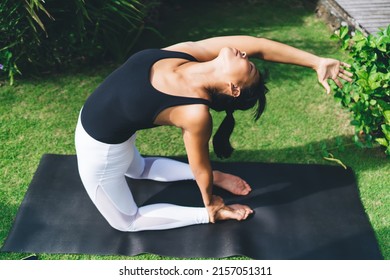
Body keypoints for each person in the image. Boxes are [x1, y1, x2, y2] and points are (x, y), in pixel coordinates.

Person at [75, 35, 353, 232]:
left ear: (233, 88)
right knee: (138, 169)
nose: (244, 54)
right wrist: (316, 61)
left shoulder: (194, 112)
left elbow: (200, 167)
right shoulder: (188, 53)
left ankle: (207, 216)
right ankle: (218, 183)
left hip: (101, 153)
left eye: (249, 65)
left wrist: (211, 205)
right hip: (118, 140)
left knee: (126, 222)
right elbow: (258, 45)